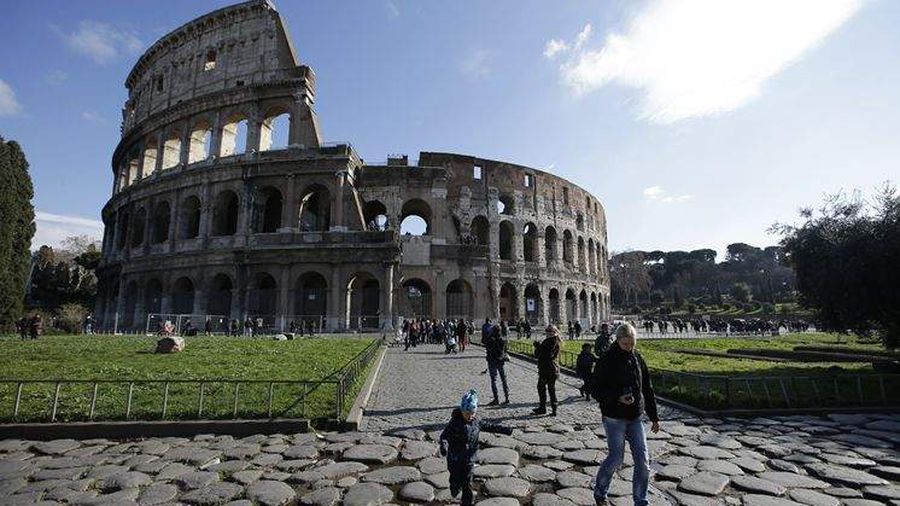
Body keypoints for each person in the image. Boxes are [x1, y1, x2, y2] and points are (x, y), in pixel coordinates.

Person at [591, 323, 659, 506]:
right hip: (614, 417)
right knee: (616, 458)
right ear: (618, 340)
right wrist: (617, 398)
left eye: (632, 344)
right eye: (626, 344)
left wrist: (653, 416)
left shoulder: (637, 358)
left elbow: (647, 387)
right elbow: (595, 389)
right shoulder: (606, 360)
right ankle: (600, 492)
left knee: (643, 461)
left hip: (635, 416)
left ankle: (641, 501)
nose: (629, 348)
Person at [439, 390, 513, 506]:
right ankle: (455, 487)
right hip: (455, 460)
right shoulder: (454, 423)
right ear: (462, 411)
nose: (470, 416)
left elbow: (490, 426)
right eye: (467, 413)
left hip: (469, 459)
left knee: (467, 483)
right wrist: (444, 447)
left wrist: (507, 430)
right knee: (455, 482)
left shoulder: (476, 422)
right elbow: (444, 436)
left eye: (472, 413)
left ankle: (466, 503)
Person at [532, 325, 561, 415]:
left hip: (547, 369)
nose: (548, 332)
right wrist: (539, 347)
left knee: (543, 388)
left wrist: (538, 347)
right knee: (549, 389)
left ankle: (544, 408)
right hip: (551, 368)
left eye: (550, 330)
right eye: (547, 330)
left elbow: (546, 355)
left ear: (554, 332)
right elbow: (538, 354)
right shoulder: (553, 341)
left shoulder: (551, 341)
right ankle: (551, 409)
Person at [484, 325, 510, 406]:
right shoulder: (503, 339)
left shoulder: (490, 339)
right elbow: (505, 350)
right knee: (504, 379)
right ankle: (507, 398)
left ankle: (496, 399)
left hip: (492, 361)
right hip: (500, 361)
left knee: (494, 380)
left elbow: (486, 345)